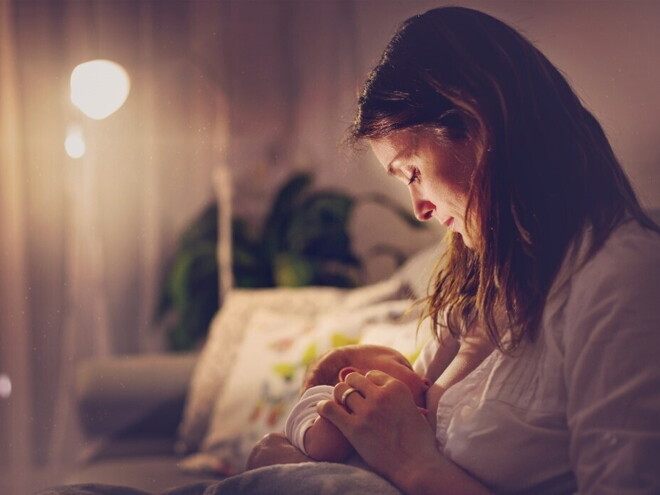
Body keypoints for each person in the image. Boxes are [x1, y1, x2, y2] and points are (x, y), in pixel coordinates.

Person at [248, 6, 660, 495]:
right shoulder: (477, 282)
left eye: (413, 172)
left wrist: (413, 465)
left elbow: (403, 452)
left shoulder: (621, 280)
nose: (419, 208)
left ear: (476, 124)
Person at [283, 338, 494, 464]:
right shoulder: (318, 401)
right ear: (354, 378)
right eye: (405, 365)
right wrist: (353, 404)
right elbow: (321, 447)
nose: (426, 380)